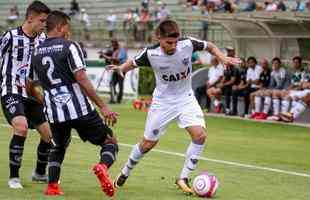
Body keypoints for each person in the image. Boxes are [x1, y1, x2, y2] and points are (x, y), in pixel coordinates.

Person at [108, 19, 240, 194]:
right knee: (147, 144)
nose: (172, 46)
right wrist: (120, 69)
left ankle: (183, 177)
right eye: (168, 42)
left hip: (186, 99)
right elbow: (132, 63)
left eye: (175, 42)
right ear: (159, 38)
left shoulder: (187, 44)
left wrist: (221, 56)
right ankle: (125, 171)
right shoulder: (150, 53)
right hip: (162, 103)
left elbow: (209, 46)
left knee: (200, 136)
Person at [27, 11, 119, 197]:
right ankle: (102, 167)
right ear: (60, 27)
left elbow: (30, 85)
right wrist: (103, 106)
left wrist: (44, 101)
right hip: (80, 110)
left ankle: (52, 187)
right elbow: (82, 79)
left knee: (58, 147)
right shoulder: (69, 46)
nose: (68, 32)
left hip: (54, 113)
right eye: (67, 28)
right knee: (110, 142)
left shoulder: (36, 52)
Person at [0, 1, 52, 189]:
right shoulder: (10, 37)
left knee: (48, 135)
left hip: (32, 93)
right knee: (21, 127)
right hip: (11, 90)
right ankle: (14, 178)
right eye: (42, 20)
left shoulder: (43, 39)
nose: (44, 24)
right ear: (30, 18)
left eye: (46, 21)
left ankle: (39, 173)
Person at [100, 39, 128, 103]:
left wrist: (105, 56)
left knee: (120, 85)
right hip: (115, 69)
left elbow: (118, 59)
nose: (112, 47)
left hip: (122, 69)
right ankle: (113, 99)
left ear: (116, 44)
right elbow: (112, 60)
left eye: (113, 45)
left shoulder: (122, 50)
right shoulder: (115, 50)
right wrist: (104, 56)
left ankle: (118, 100)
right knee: (112, 84)